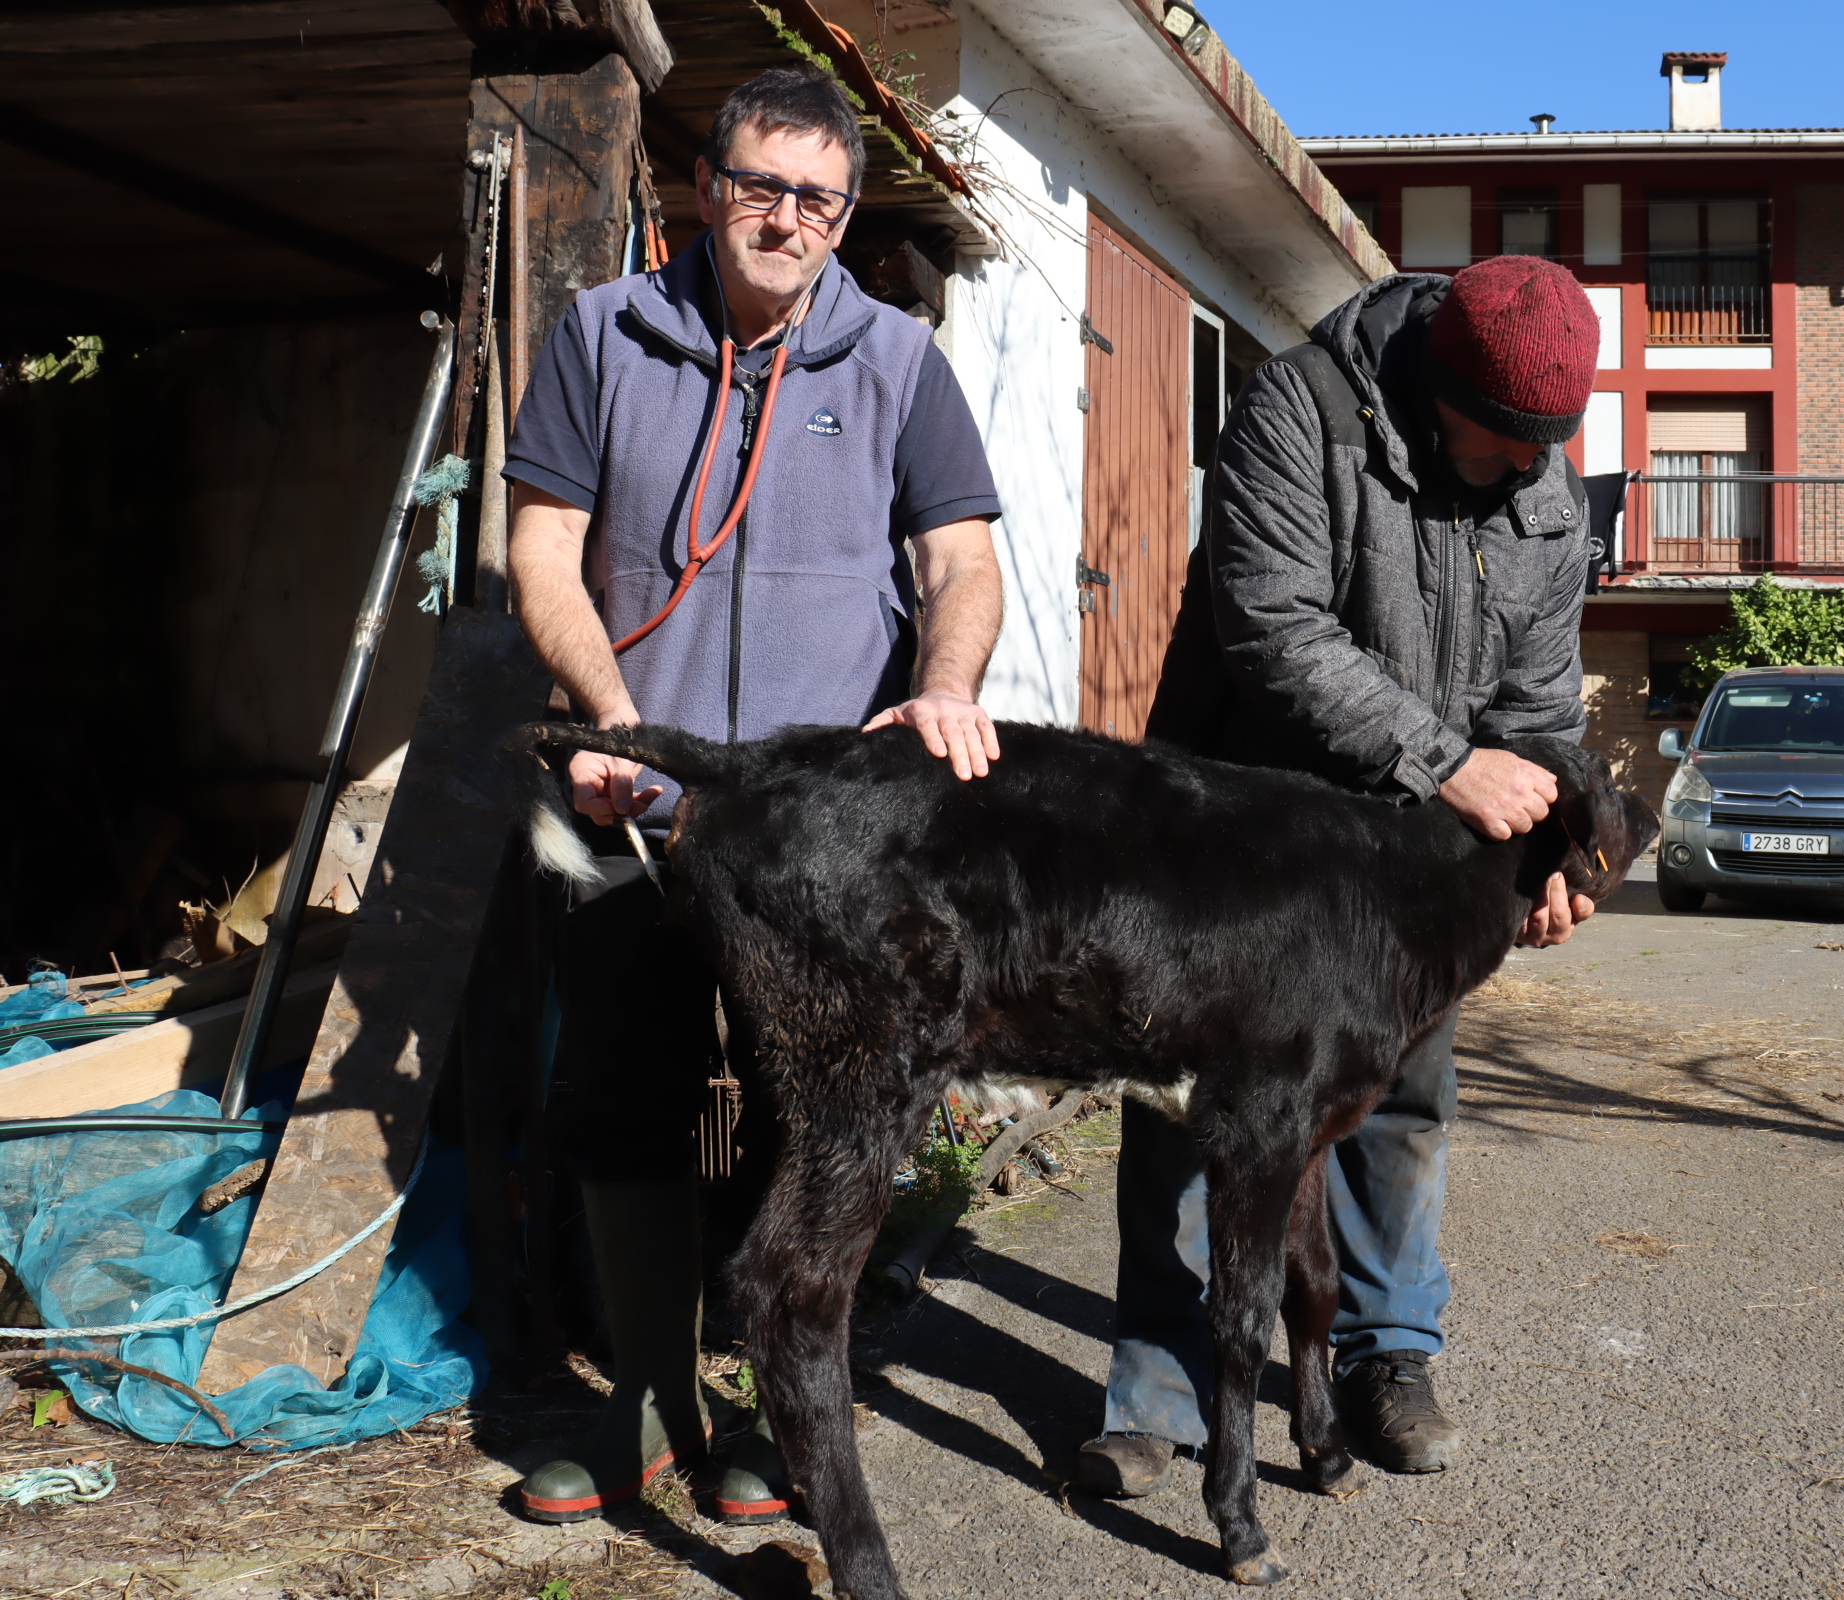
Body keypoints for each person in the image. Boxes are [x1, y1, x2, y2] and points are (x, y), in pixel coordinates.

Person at [501, 65, 1004, 1524]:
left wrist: (947, 684)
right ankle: (650, 1408)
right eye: (762, 188)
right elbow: (541, 547)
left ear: (845, 214)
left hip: (821, 841)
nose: (788, 220)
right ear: (706, 188)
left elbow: (963, 561)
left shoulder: (899, 359)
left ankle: (781, 1420)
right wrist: (608, 718)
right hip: (631, 802)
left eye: (818, 199)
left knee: (808, 1120)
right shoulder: (605, 334)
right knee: (623, 1103)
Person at [1080, 255, 1602, 1495]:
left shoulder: (1544, 486)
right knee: (1193, 1105)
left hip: (1410, 852)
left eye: (1543, 447)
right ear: (1438, 388)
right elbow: (1273, 626)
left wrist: (1551, 853)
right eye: (1502, 441)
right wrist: (1447, 762)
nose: (1524, 468)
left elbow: (1538, 707)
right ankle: (1160, 1394)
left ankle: (1385, 1356)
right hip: (1237, 830)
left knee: (1402, 1092)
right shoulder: (1298, 411)